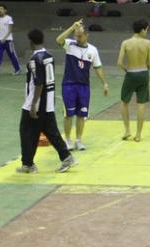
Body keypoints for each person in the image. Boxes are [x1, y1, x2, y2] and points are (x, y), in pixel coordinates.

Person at [17, 29, 76, 174]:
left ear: (31, 42)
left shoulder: (35, 60)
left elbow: (39, 83)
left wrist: (33, 106)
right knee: (50, 132)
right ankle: (31, 163)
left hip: (36, 103)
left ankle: (29, 164)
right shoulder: (48, 56)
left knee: (25, 131)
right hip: (48, 102)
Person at [55, 19, 109, 151]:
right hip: (69, 85)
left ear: (86, 35)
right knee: (68, 114)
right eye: (75, 35)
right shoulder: (70, 44)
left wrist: (105, 83)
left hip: (84, 86)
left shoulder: (93, 50)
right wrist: (72, 26)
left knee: (82, 114)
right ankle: (67, 140)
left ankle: (79, 140)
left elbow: (98, 67)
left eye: (79, 35)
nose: (77, 38)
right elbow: (58, 40)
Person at [117, 19, 150, 142]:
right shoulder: (148, 43)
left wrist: (127, 70)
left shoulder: (125, 43)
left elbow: (120, 63)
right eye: (147, 29)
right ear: (143, 29)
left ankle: (127, 130)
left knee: (124, 101)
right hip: (143, 73)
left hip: (131, 73)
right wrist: (145, 70)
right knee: (141, 104)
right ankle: (138, 134)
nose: (147, 32)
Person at [0, 4, 20, 75]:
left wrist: (4, 38)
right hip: (0, 41)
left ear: (5, 10)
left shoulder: (9, 18)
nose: (0, 10)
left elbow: (10, 30)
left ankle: (17, 69)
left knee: (12, 55)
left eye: (1, 9)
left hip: (8, 41)